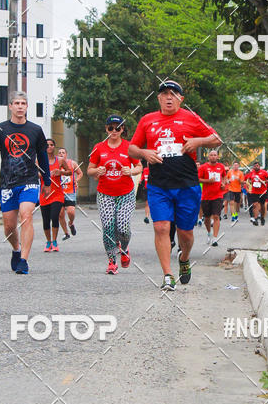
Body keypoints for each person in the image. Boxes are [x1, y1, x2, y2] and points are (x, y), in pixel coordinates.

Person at [128, 80, 221, 291]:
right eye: (164, 94)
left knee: (185, 232)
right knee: (161, 227)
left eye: (173, 93)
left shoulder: (191, 118)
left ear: (181, 99)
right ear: (159, 98)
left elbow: (216, 139)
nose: (169, 97)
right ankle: (168, 275)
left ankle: (184, 258)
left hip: (187, 184)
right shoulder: (147, 120)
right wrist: (144, 153)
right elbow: (132, 148)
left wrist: (198, 142)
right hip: (159, 184)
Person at [0, 91, 50, 274]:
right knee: (8, 226)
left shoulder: (36, 130)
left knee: (26, 215)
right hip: (8, 183)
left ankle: (24, 260)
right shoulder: (0, 129)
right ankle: (16, 249)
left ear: (27, 107)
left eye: (23, 103)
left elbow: (43, 156)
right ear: (11, 106)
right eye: (17, 103)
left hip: (29, 180)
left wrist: (46, 180)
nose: (20, 106)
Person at [88, 115, 141, 274]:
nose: (114, 131)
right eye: (110, 127)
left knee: (123, 227)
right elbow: (89, 170)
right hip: (105, 194)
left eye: (117, 128)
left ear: (122, 129)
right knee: (108, 227)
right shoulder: (99, 147)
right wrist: (96, 170)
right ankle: (112, 261)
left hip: (125, 193)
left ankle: (124, 249)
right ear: (106, 129)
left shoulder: (129, 146)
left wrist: (131, 171)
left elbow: (139, 166)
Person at [197, 149, 227, 246]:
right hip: (206, 196)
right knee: (207, 218)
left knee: (216, 216)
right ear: (208, 157)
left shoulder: (221, 166)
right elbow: (198, 179)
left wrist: (223, 183)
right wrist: (208, 181)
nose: (213, 156)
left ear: (217, 157)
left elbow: (224, 177)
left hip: (218, 195)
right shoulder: (203, 167)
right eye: (211, 155)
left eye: (215, 155)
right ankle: (209, 232)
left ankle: (215, 238)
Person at [39, 139, 64, 252]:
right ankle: (48, 241)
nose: (49, 147)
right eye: (47, 145)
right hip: (45, 194)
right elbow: (34, 173)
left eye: (51, 145)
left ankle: (54, 241)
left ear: (54, 147)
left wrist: (61, 172)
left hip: (57, 194)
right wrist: (41, 174)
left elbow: (69, 171)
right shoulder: (38, 161)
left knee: (54, 216)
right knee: (45, 220)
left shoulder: (60, 160)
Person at [57, 147, 82, 239]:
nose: (61, 154)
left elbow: (80, 173)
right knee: (60, 214)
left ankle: (71, 223)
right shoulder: (55, 163)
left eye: (63, 152)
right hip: (59, 192)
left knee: (71, 212)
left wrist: (76, 181)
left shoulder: (72, 163)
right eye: (59, 152)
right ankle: (66, 233)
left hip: (70, 191)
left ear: (66, 154)